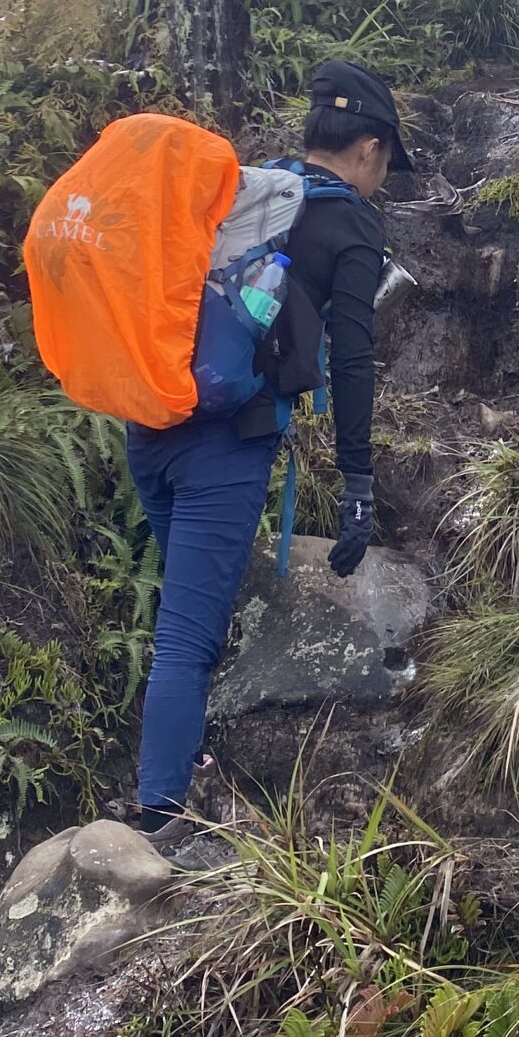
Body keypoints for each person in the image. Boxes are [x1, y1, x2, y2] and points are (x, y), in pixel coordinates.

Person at [124, 58, 413, 837]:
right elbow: (353, 360)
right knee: (186, 639)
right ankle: (159, 821)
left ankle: (184, 763)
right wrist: (358, 483)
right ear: (370, 148)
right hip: (224, 446)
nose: (382, 178)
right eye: (387, 163)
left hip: (149, 421)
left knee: (193, 609)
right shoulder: (350, 223)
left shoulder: (253, 190)